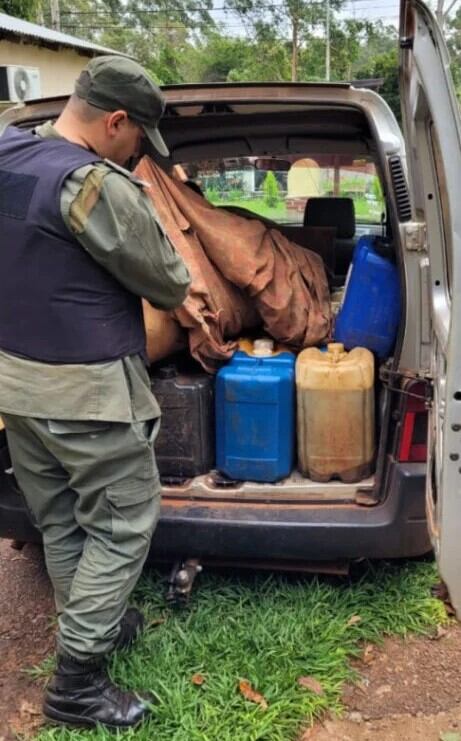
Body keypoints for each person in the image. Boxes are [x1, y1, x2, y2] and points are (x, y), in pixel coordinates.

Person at [0, 55, 191, 729]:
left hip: (15, 387)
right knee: (121, 523)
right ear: (114, 121)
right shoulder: (92, 185)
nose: (139, 151)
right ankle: (76, 685)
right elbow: (169, 282)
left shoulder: (7, 150)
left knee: (60, 519)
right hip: (86, 394)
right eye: (138, 137)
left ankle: (94, 623)